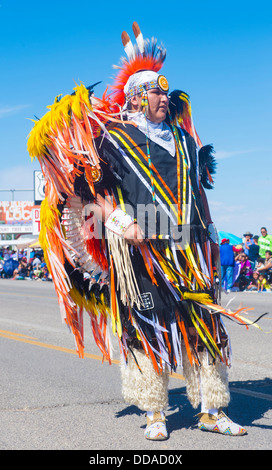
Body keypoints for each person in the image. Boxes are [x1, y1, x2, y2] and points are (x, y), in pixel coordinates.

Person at [28, 23, 252, 439]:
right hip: (140, 252)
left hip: (189, 247)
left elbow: (198, 193)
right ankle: (155, 413)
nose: (165, 98)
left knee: (206, 324)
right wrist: (120, 224)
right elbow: (87, 194)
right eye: (155, 92)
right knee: (146, 324)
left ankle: (212, 409)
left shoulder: (184, 141)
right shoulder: (113, 140)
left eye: (165, 92)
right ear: (135, 98)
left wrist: (209, 236)